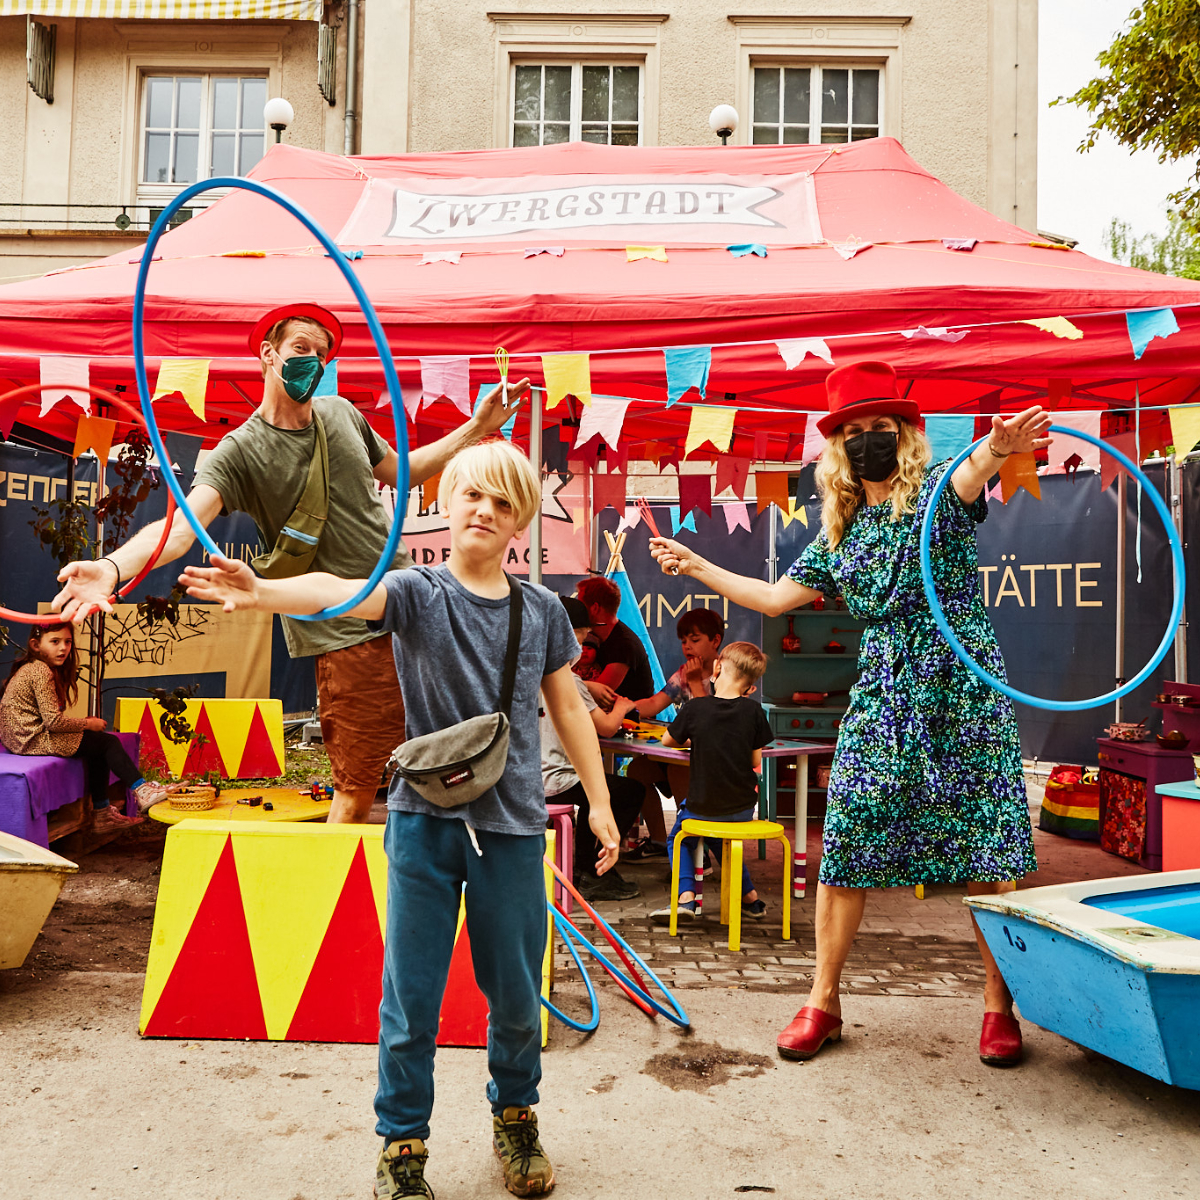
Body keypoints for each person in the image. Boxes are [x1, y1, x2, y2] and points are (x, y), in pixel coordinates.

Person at [179, 440, 619, 1200]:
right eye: (472, 494)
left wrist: (602, 802)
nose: (485, 510)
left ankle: (516, 1117)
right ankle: (402, 1146)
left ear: (520, 520)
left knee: (517, 997)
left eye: (503, 502)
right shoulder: (417, 592)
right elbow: (337, 589)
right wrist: (266, 590)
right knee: (411, 999)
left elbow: (569, 709)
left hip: (512, 827)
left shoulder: (543, 610)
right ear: (446, 502)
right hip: (423, 821)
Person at [650, 360, 1050, 1070]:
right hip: (884, 695)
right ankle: (823, 1001)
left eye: (881, 426)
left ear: (905, 433)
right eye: (855, 430)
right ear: (838, 447)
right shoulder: (841, 532)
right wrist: (695, 562)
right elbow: (773, 598)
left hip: (961, 692)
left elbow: (972, 474)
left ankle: (999, 1004)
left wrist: (997, 446)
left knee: (986, 847)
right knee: (846, 845)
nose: (869, 439)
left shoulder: (935, 492)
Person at [52, 302, 528, 825]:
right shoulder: (239, 451)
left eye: (322, 354)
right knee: (358, 789)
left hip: (412, 610)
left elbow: (405, 471)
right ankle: (340, 880)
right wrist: (112, 567)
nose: (313, 362)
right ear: (268, 354)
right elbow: (182, 529)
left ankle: (438, 868)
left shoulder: (341, 413)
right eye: (301, 348)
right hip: (345, 632)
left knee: (451, 767)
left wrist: (478, 426)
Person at [0, 622, 170, 831]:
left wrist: (84, 727)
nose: (63, 648)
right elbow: (53, 722)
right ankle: (142, 791)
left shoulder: (33, 668)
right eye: (55, 642)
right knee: (107, 742)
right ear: (36, 645)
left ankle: (102, 813)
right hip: (32, 740)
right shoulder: (40, 671)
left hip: (21, 738)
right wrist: (88, 723)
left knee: (96, 746)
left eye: (68, 642)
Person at [649, 641, 773, 925]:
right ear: (750, 685)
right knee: (720, 837)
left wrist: (697, 738)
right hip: (742, 807)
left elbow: (668, 740)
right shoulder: (754, 711)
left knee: (679, 839)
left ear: (717, 667)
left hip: (703, 805)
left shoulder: (696, 708)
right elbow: (755, 758)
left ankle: (685, 898)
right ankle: (750, 899)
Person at [542, 594, 648, 902]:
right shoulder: (569, 681)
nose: (582, 647)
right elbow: (606, 727)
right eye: (581, 638)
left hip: (528, 778)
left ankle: (583, 866)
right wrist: (623, 706)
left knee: (603, 792)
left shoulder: (529, 671)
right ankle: (590, 870)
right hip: (556, 779)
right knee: (627, 792)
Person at [625, 606, 724, 850]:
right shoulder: (684, 673)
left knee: (679, 770)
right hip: (687, 754)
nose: (687, 647)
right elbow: (654, 703)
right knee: (637, 770)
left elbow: (711, 720)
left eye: (695, 640)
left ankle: (695, 850)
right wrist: (621, 707)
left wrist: (695, 683)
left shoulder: (728, 673)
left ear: (715, 641)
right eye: (683, 641)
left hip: (718, 760)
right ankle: (659, 842)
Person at [573, 575, 653, 706]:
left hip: (632, 716)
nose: (577, 610)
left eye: (580, 604)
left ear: (595, 608)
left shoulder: (624, 644)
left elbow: (597, 694)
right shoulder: (596, 637)